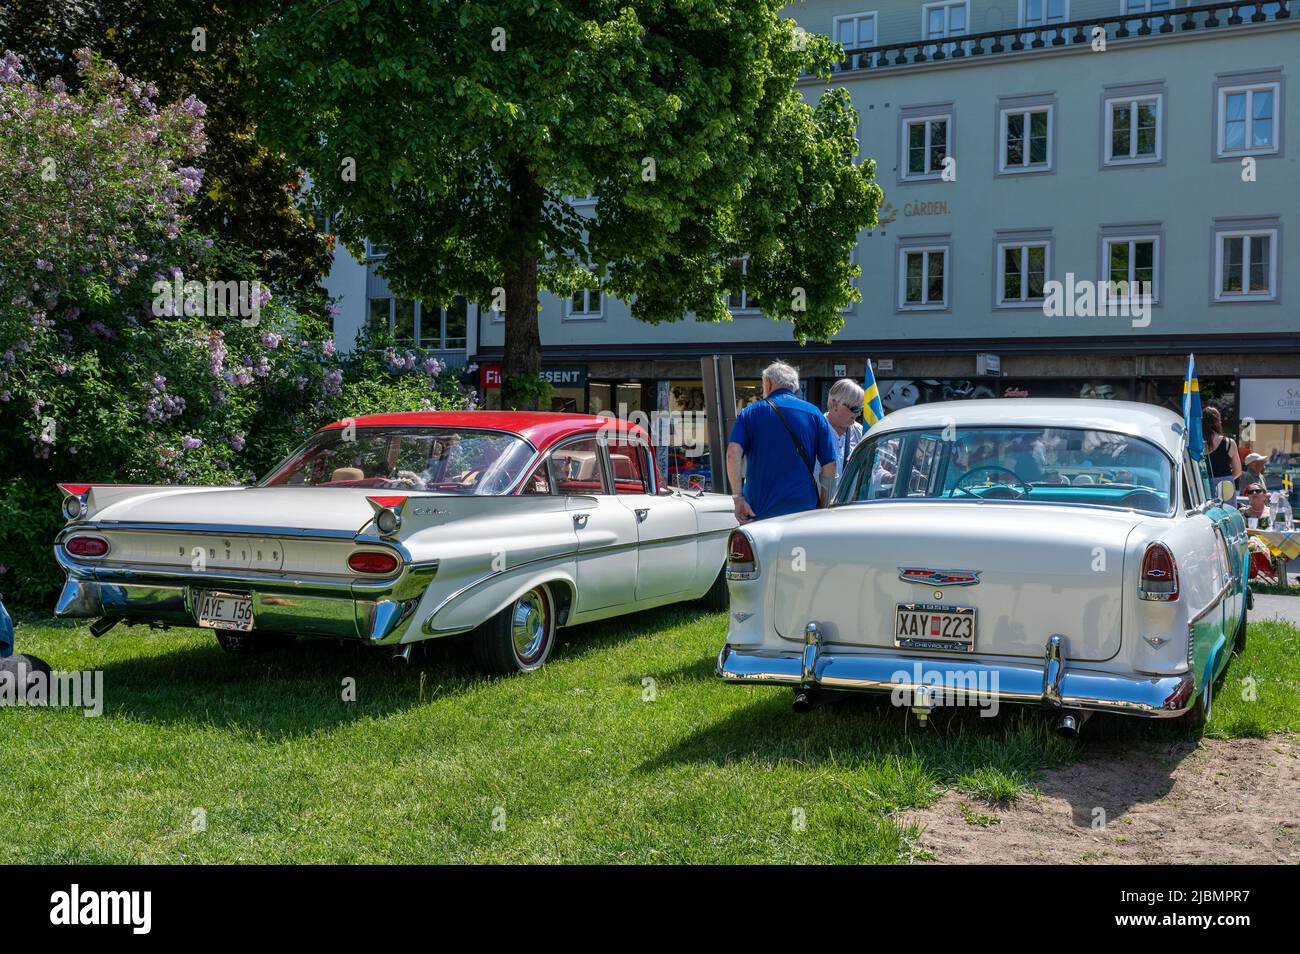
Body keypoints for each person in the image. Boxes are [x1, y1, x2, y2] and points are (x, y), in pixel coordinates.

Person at [727, 362, 836, 522]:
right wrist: (823, 506)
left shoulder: (749, 413)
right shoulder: (814, 414)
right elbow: (830, 466)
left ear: (768, 383)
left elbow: (732, 454)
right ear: (794, 386)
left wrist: (738, 499)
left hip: (758, 509)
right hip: (804, 509)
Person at [824, 378, 865, 485]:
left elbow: (872, 470)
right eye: (855, 409)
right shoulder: (816, 429)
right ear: (835, 405)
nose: (858, 414)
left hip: (850, 501)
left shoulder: (859, 431)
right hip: (821, 500)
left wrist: (887, 477)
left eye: (860, 409)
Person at [1203, 406, 1242, 484]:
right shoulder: (1229, 443)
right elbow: (1238, 471)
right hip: (1225, 488)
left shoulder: (1196, 443)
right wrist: (1226, 481)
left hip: (1203, 486)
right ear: (1218, 421)